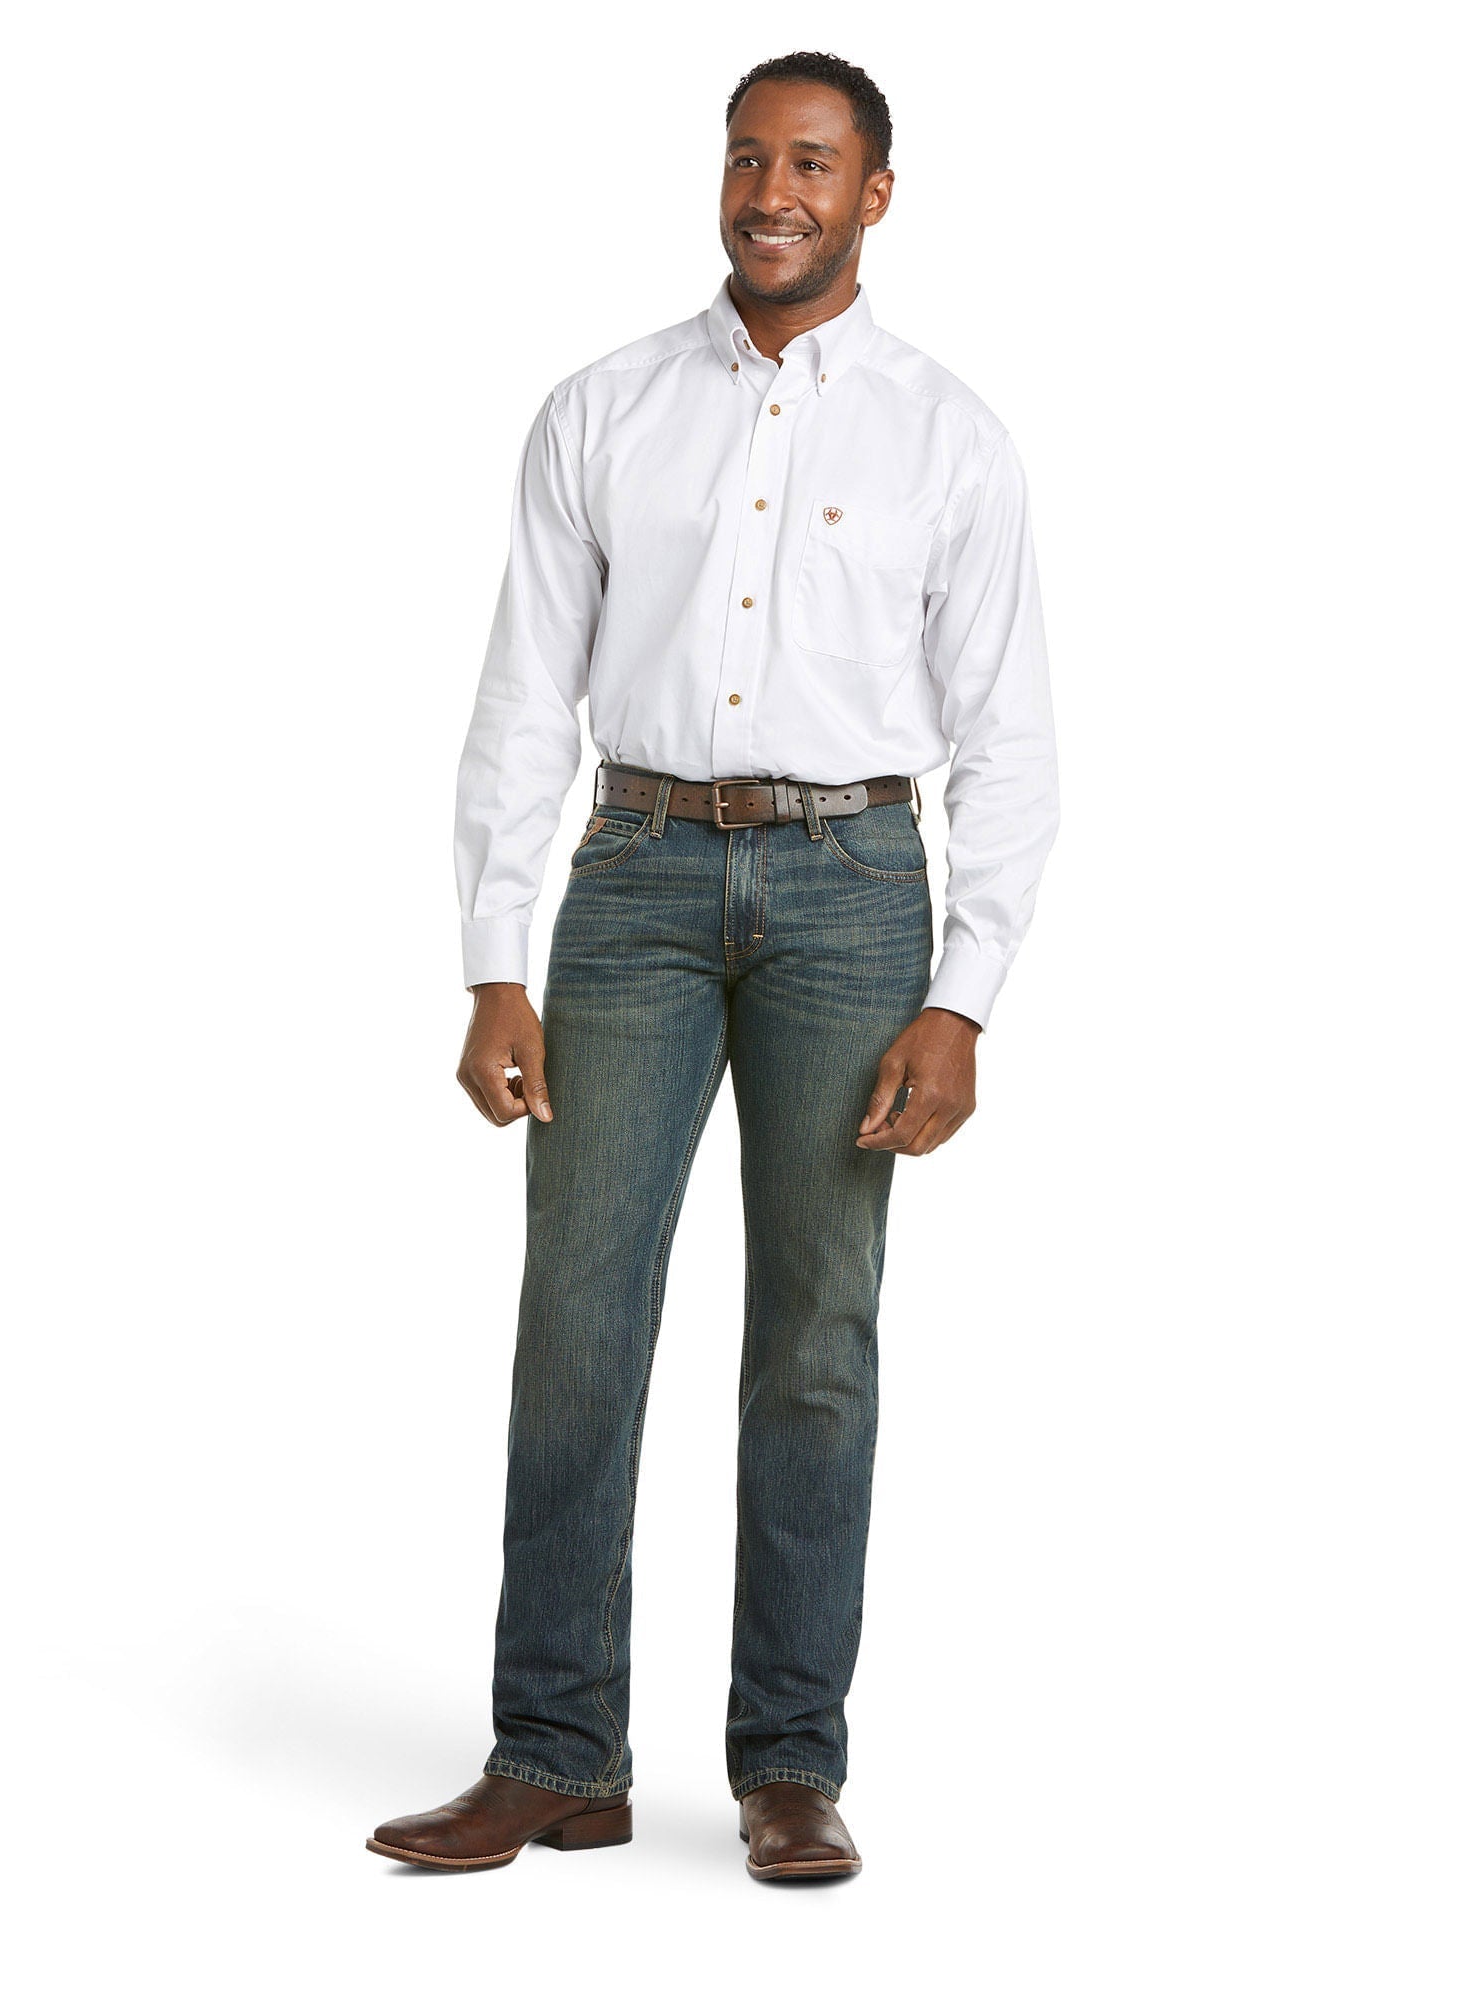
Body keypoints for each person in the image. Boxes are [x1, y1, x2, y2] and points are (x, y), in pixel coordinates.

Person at [368, 49, 1059, 1881]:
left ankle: (789, 1763)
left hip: (854, 892)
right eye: (751, 157)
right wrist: (492, 957)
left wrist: (964, 996)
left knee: (818, 1336)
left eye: (814, 164)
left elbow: (1010, 737)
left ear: (874, 195)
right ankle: (556, 1752)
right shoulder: (602, 409)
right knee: (578, 1318)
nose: (774, 192)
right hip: (636, 880)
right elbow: (526, 690)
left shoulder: (948, 437)